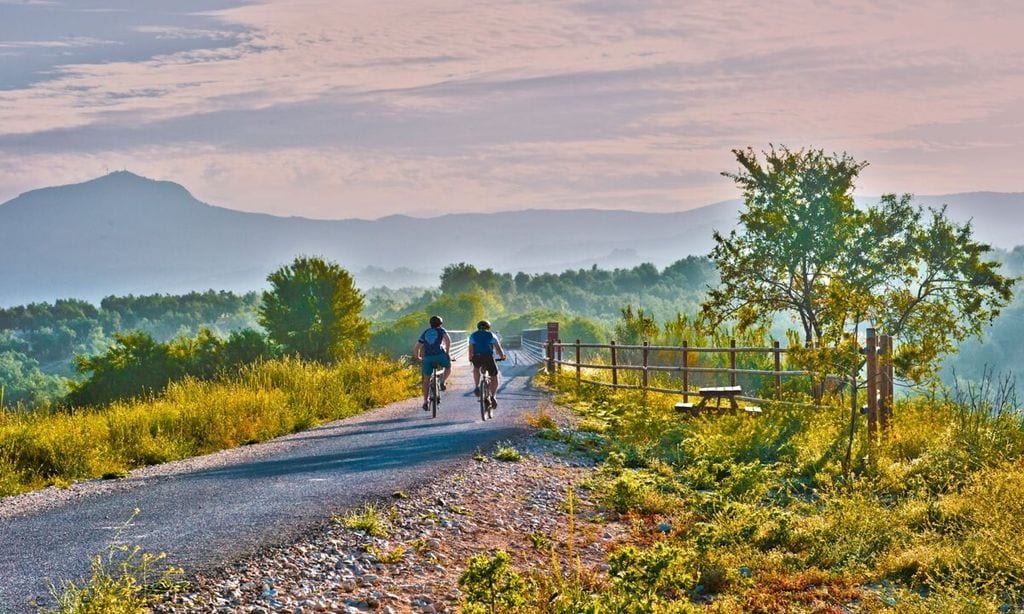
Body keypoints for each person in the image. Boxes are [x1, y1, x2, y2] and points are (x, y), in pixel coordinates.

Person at [414, 315, 452, 411]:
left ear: (430, 324)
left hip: (427, 358)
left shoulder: (425, 332)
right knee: (448, 367)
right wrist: (447, 353)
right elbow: (448, 341)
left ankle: (425, 401)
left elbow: (417, 347)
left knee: (426, 379)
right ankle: (442, 381)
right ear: (441, 324)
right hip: (440, 355)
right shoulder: (441, 330)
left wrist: (418, 357)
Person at [469, 319, 506, 409]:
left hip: (477, 357)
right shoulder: (492, 335)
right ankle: (493, 396)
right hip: (488, 357)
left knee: (476, 368)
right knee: (494, 376)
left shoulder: (473, 335)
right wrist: (502, 356)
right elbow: (498, 348)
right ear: (488, 327)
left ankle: (477, 386)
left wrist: (470, 358)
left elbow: (470, 348)